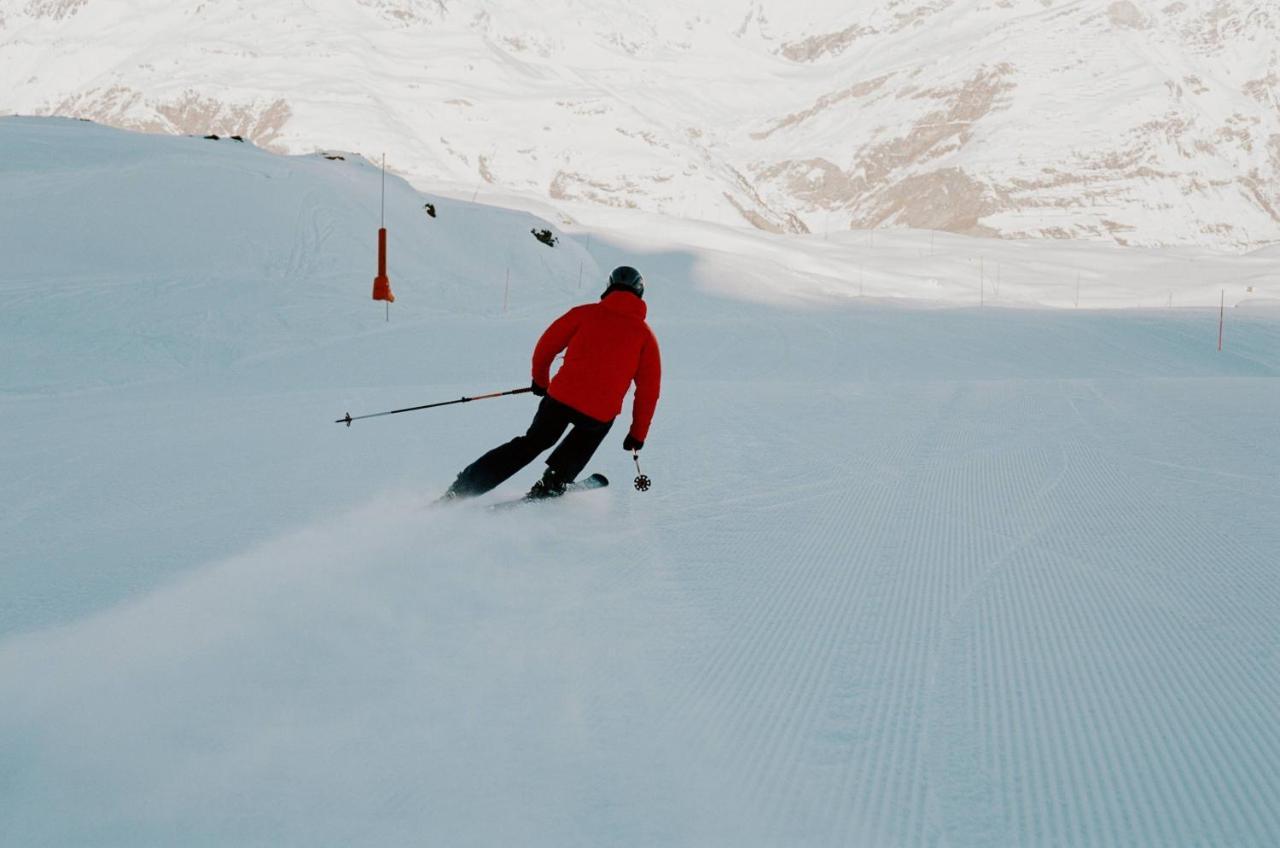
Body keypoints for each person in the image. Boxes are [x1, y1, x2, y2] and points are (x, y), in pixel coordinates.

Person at [444, 265, 661, 500]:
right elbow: (649, 391)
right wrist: (637, 434)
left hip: (560, 399)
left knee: (532, 443)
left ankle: (465, 487)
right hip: (599, 412)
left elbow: (546, 346)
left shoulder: (583, 313)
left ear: (609, 288)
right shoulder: (646, 337)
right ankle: (555, 480)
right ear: (639, 294)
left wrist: (540, 380)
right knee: (592, 430)